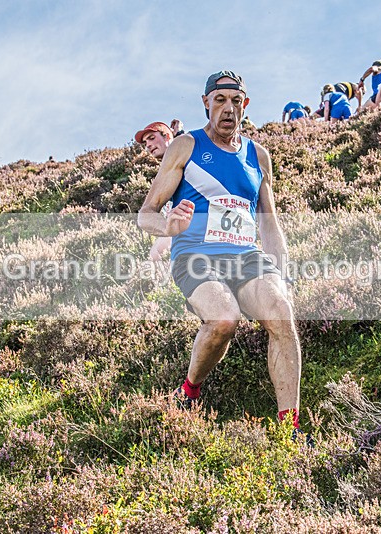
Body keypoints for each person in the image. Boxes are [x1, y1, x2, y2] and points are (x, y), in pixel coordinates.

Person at [137, 70, 304, 435]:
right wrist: (168, 227)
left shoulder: (258, 156)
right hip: (194, 255)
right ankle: (189, 390)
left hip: (245, 255)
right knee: (224, 319)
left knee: (282, 313)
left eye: (236, 101)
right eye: (220, 100)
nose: (228, 109)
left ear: (245, 105)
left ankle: (289, 431)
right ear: (206, 103)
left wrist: (283, 275)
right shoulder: (186, 146)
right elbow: (145, 213)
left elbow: (269, 223)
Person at [134, 121, 176, 260]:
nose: (148, 145)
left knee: (156, 254)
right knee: (155, 255)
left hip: (197, 227)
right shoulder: (165, 170)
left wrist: (179, 135)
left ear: (167, 137)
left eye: (152, 138)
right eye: (146, 142)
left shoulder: (183, 162)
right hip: (177, 227)